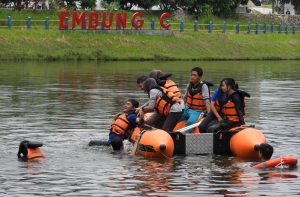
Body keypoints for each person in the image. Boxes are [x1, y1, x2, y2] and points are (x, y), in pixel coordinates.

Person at [181, 67, 211, 133]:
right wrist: (183, 107)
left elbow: (207, 100)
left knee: (191, 121)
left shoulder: (204, 86)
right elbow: (185, 98)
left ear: (200, 77)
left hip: (197, 111)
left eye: (194, 75)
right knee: (176, 116)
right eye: (191, 75)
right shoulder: (189, 85)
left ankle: (184, 134)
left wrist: (209, 114)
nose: (192, 77)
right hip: (187, 109)